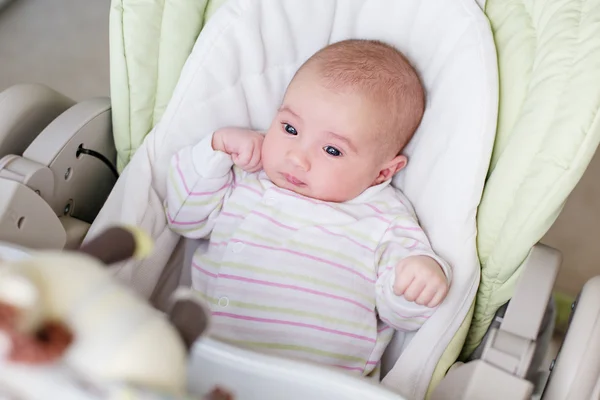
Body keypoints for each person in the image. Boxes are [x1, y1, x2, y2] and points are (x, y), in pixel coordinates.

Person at [165, 39, 451, 375]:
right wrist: (215, 149)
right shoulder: (248, 173)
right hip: (205, 362)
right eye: (290, 129)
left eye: (332, 150)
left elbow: (399, 315)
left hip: (312, 382)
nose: (297, 157)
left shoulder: (385, 218)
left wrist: (417, 281)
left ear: (382, 172)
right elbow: (184, 217)